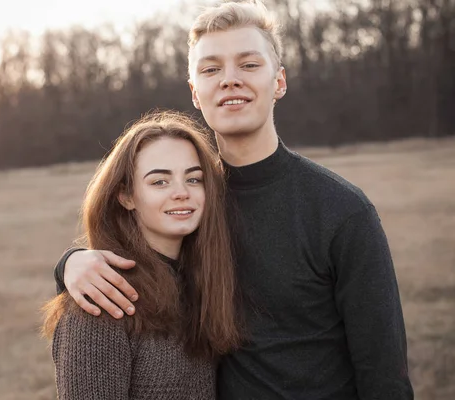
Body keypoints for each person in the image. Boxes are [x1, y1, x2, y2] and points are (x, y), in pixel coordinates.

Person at [53, 1, 414, 399]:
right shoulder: (190, 204)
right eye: (211, 69)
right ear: (195, 92)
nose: (229, 80)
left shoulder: (342, 211)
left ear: (279, 82)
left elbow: (385, 375)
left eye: (249, 64)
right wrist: (71, 264)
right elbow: (146, 262)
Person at [42, 112, 242, 399]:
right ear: (126, 196)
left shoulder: (204, 282)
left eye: (194, 179)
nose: (181, 192)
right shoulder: (103, 300)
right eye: (159, 182)